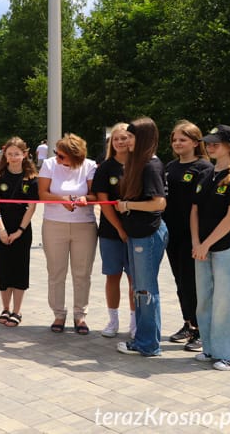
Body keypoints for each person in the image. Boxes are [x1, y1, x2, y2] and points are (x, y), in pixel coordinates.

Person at [191, 125, 230, 370]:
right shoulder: (206, 173)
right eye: (209, 143)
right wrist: (196, 243)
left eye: (216, 143)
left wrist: (206, 243)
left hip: (226, 245)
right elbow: (194, 211)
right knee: (204, 299)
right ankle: (211, 348)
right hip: (202, 247)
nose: (210, 146)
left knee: (227, 300)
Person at [114, 118, 168, 357]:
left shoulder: (151, 166)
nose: (127, 142)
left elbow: (159, 203)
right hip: (138, 234)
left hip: (148, 234)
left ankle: (148, 344)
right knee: (140, 289)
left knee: (145, 291)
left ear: (144, 138)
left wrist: (127, 205)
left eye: (132, 137)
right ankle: (144, 340)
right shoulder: (139, 164)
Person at [38, 133, 98, 334]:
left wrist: (84, 200)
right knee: (56, 272)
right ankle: (58, 314)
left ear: (76, 157)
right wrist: (61, 199)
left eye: (62, 156)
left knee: (82, 273)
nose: (57, 158)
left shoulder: (90, 166)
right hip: (54, 224)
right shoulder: (49, 164)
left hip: (84, 225)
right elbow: (43, 193)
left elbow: (94, 194)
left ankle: (80, 315)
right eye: (56, 153)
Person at [164, 120, 212, 351]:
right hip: (171, 234)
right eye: (174, 139)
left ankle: (202, 329)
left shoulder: (204, 168)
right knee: (180, 281)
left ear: (195, 142)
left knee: (194, 283)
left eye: (183, 139)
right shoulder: (169, 167)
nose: (177, 143)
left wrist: (200, 238)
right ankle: (188, 324)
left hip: (192, 235)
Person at [91, 123, 136, 339]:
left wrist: (128, 230)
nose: (120, 142)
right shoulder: (105, 168)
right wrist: (119, 228)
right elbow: (103, 202)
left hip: (137, 232)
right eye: (116, 139)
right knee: (113, 276)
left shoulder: (140, 165)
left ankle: (135, 322)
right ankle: (113, 320)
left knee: (134, 279)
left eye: (124, 138)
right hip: (111, 232)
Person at [0, 137, 38, 328]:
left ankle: (17, 311)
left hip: (22, 231)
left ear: (24, 154)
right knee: (4, 270)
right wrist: (1, 229)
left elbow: (32, 208)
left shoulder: (32, 179)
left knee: (19, 270)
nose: (13, 157)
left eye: (17, 154)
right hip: (2, 229)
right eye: (9, 154)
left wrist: (19, 231)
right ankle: (5, 308)